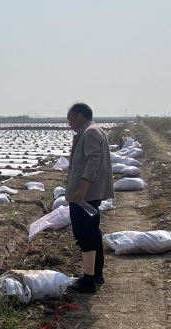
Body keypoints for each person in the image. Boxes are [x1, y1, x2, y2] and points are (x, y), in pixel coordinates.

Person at [65, 103, 115, 293]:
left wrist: (82, 190)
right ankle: (96, 273)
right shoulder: (92, 130)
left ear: (80, 116)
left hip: (85, 196)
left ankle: (88, 280)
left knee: (84, 234)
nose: (69, 123)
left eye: (70, 119)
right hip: (89, 195)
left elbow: (93, 161)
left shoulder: (90, 132)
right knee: (93, 231)